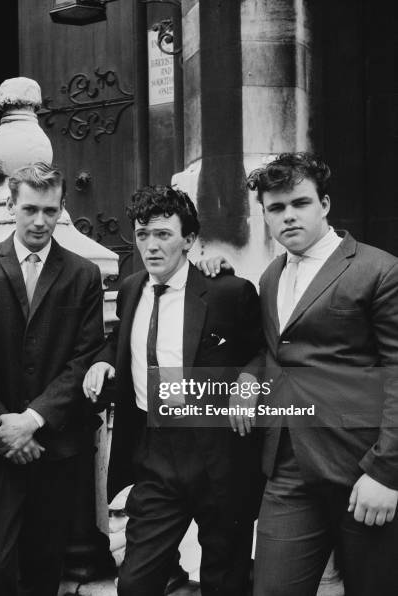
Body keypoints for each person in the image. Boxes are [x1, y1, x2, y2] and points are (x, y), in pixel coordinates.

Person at [198, 152, 398, 595]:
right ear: (265, 216)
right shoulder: (270, 276)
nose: (288, 216)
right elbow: (275, 351)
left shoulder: (378, 270)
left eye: (299, 204)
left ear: (324, 204)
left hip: (360, 468)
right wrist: (249, 377)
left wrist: (387, 472)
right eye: (276, 208)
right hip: (286, 465)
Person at [82, 185, 264, 596]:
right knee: (135, 581)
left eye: (163, 234)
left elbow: (262, 351)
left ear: (189, 239)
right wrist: (103, 359)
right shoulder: (131, 289)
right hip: (155, 451)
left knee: (225, 577)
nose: (151, 245)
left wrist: (249, 380)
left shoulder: (227, 293)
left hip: (218, 452)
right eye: (143, 234)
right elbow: (122, 339)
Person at [0, 162, 105, 596]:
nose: (40, 221)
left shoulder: (82, 274)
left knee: (44, 567)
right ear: (11, 207)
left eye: (50, 210)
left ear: (62, 208)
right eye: (30, 209)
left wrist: (33, 420)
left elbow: (85, 356)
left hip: (53, 446)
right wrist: (7, 424)